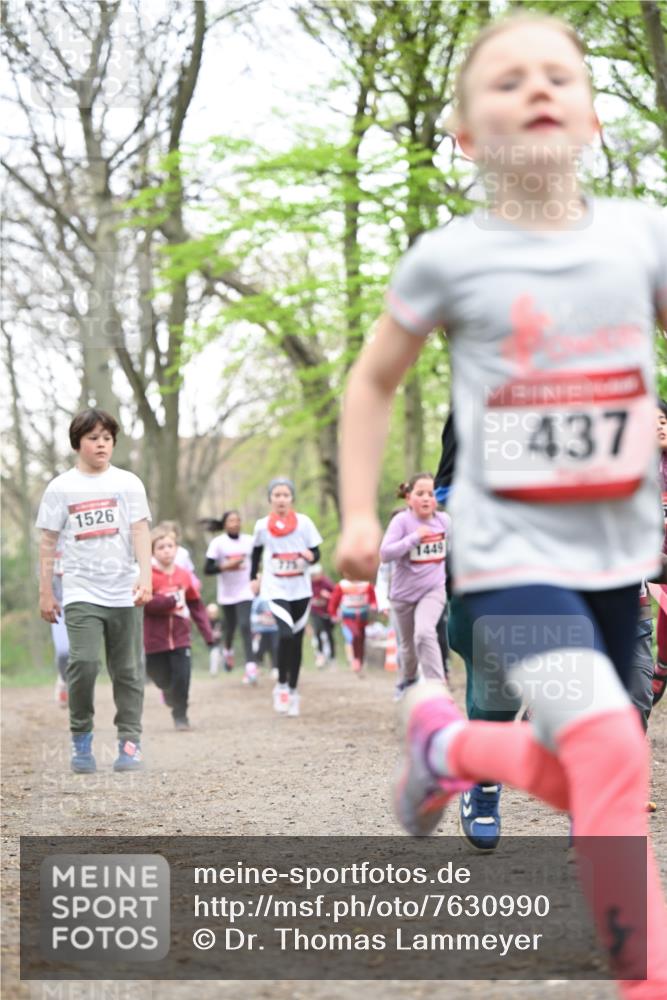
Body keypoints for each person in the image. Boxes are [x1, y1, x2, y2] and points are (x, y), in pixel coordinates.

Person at [336, 13, 667, 996]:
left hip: (613, 558)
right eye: (506, 79)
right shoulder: (447, 257)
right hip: (507, 554)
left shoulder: (640, 237)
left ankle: (444, 742)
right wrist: (361, 514)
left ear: (594, 118)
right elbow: (370, 383)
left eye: (558, 75)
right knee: (607, 748)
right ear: (466, 135)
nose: (535, 88)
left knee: (601, 767)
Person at [37, 408, 152, 773]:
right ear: (78, 443)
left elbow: (140, 531)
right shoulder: (60, 487)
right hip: (80, 590)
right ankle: (81, 740)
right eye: (93, 438)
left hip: (124, 590)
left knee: (128, 670)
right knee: (84, 663)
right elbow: (47, 541)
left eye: (107, 438)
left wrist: (146, 576)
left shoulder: (128, 483)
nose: (101, 444)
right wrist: (45, 592)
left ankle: (129, 744)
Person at [251, 478, 322, 717]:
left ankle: (293, 690)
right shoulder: (262, 525)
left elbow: (317, 552)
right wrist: (253, 577)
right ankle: (281, 685)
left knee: (297, 640)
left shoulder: (304, 523)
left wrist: (309, 556)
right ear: (270, 499)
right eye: (277, 495)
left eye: (285, 495)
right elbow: (256, 552)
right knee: (285, 633)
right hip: (275, 588)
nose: (281, 499)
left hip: (301, 589)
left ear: (291, 498)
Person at [379, 474, 451, 687]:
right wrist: (413, 539)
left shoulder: (444, 521)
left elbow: (455, 551)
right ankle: (408, 679)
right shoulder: (401, 521)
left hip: (433, 590)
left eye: (431, 494)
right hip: (403, 596)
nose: (426, 499)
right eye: (420, 494)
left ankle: (437, 686)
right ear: (409, 497)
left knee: (425, 632)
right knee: (407, 647)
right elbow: (385, 554)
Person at [144, 527, 214, 729]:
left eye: (170, 546)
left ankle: (180, 716)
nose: (166, 550)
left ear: (176, 549)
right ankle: (167, 692)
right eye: (160, 547)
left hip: (181, 637)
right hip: (154, 640)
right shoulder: (148, 575)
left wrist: (207, 633)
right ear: (152, 552)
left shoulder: (184, 576)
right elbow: (146, 604)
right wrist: (170, 600)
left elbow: (196, 605)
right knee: (161, 678)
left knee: (183, 678)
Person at [204, 510, 257, 684]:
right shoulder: (218, 543)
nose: (235, 523)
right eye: (231, 520)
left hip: (245, 590)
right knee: (231, 627)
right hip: (227, 593)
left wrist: (257, 578)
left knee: (245, 625)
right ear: (225, 524)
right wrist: (226, 566)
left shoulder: (250, 541)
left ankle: (251, 666)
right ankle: (228, 650)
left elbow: (258, 562)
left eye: (238, 520)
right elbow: (207, 569)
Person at [327, 578, 377, 674]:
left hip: (363, 616)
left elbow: (373, 598)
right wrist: (333, 613)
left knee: (361, 638)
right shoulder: (343, 585)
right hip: (348, 616)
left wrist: (373, 606)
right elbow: (334, 601)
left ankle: (360, 660)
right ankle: (355, 659)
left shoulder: (366, 584)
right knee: (355, 635)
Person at [309, 563, 336, 667]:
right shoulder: (309, 584)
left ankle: (332, 657)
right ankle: (320, 655)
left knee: (329, 634)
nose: (313, 577)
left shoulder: (326, 582)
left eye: (315, 575)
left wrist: (328, 596)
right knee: (318, 631)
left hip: (327, 612)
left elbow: (335, 595)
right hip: (315, 611)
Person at [250, 595, 279, 678]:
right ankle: (256, 667)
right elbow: (251, 615)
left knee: (275, 648)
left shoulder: (275, 597)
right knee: (259, 650)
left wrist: (275, 620)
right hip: (259, 630)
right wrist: (261, 619)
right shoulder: (255, 600)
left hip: (275, 629)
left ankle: (275, 668)